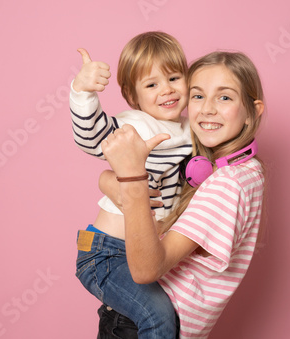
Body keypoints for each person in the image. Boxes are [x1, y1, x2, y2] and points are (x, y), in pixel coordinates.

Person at [100, 51, 266, 339]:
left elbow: (145, 270)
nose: (207, 109)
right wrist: (109, 181)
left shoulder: (226, 183)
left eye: (224, 97)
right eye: (198, 96)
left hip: (145, 324)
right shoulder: (247, 170)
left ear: (254, 110)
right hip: (145, 318)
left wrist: (132, 177)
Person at [71, 31, 192, 338]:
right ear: (132, 95)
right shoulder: (136, 125)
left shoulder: (191, 130)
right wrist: (83, 91)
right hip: (106, 253)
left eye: (175, 78)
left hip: (146, 253)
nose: (167, 90)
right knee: (158, 316)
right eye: (152, 84)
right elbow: (93, 137)